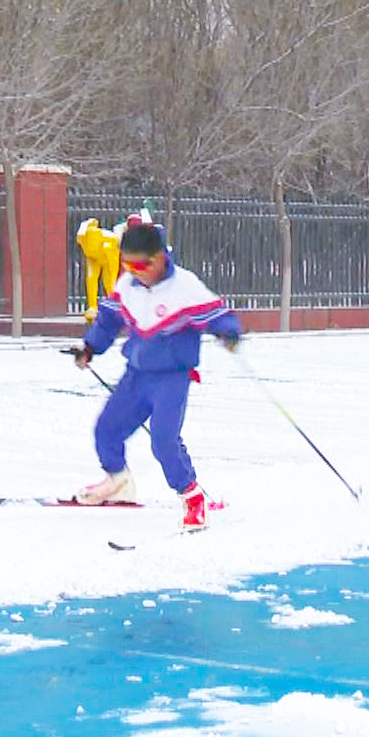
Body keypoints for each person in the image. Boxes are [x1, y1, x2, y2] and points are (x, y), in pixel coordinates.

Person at [72, 223, 241, 529]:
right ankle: (119, 482)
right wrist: (89, 348)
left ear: (161, 257)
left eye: (142, 264)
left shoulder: (184, 287)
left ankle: (192, 498)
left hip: (171, 378)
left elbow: (217, 314)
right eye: (128, 264)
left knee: (163, 442)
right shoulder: (128, 286)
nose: (135, 271)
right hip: (136, 375)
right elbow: (109, 319)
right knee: (107, 430)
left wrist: (228, 333)